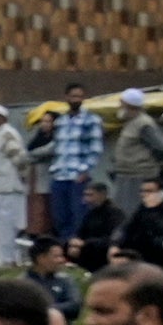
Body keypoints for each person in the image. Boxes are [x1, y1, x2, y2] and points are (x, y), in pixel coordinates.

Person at [44, 87, 104, 238]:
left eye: (80, 96)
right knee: (59, 216)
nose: (76, 99)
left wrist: (85, 170)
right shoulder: (61, 121)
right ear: (66, 97)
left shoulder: (92, 120)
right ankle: (64, 251)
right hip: (60, 175)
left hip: (78, 176)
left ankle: (77, 249)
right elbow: (57, 147)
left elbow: (95, 148)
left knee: (79, 215)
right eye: (73, 96)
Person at [0, 106, 33, 267]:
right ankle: (2, 258)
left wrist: (22, 178)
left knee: (7, 225)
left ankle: (7, 259)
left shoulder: (7, 133)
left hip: (8, 188)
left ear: (2, 118)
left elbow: (21, 158)